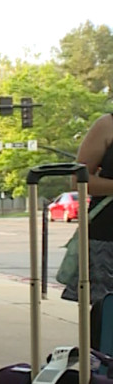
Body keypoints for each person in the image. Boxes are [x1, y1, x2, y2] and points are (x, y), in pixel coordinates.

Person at [70, 113, 113, 344]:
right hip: (108, 238)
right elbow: (79, 179)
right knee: (106, 315)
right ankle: (103, 372)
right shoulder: (107, 125)